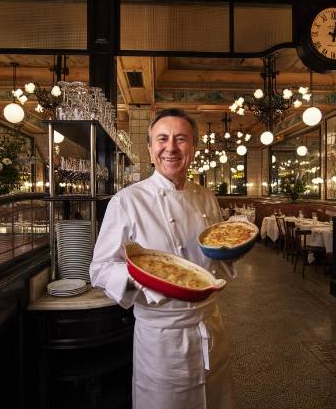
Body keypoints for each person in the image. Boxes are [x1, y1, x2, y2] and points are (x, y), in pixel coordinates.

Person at [90, 108, 236, 409]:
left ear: (193, 148)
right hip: (162, 337)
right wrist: (144, 281)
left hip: (210, 326)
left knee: (216, 400)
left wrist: (233, 251)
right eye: (162, 139)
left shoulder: (207, 197)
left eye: (181, 139)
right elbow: (101, 269)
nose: (171, 148)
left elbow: (215, 253)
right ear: (150, 147)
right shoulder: (128, 200)